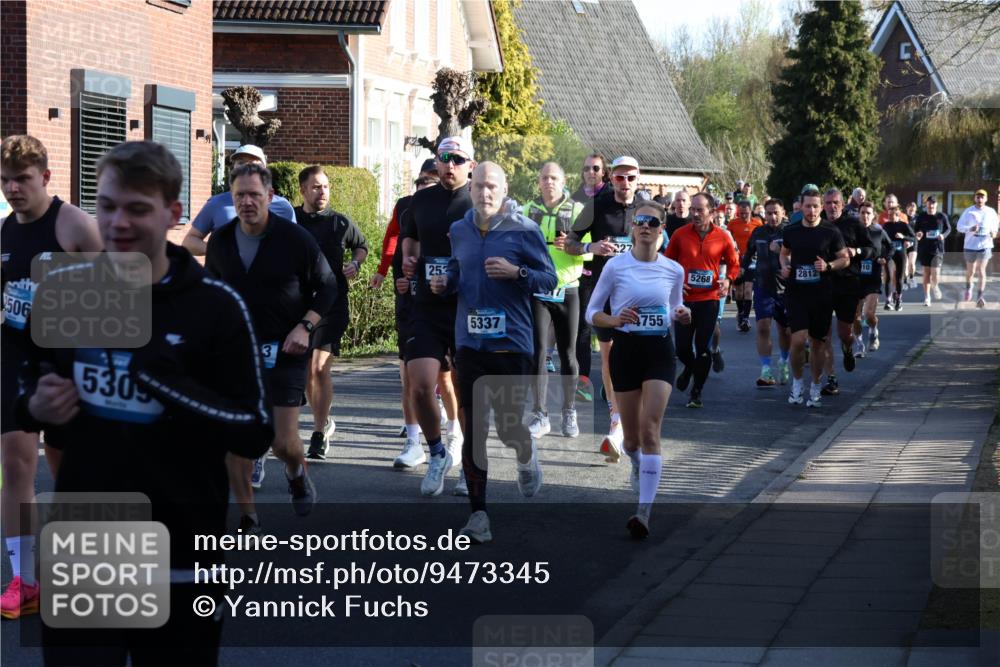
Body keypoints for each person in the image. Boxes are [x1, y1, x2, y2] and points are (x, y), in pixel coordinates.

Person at [16, 140, 273, 662]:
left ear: (173, 214)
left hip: (181, 554)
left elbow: (254, 428)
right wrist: (36, 407)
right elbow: (25, 387)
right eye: (107, 206)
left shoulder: (215, 306)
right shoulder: (65, 292)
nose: (118, 223)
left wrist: (168, 383)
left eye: (137, 209)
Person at [0, 135, 103, 619]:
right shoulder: (3, 232)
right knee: (17, 463)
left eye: (21, 179)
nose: (12, 189)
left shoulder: (75, 225)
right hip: (15, 363)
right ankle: (24, 578)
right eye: (4, 180)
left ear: (44, 177)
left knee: (72, 469)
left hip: (68, 366)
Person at [430, 162, 557, 543]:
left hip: (512, 342)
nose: (485, 193)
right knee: (474, 431)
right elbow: (457, 270)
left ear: (503, 190)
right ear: (470, 189)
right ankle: (478, 515)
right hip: (469, 343)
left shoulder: (526, 230)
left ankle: (525, 452)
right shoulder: (459, 229)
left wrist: (515, 272)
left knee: (507, 426)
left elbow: (548, 279)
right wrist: (445, 282)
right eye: (479, 186)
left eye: (492, 187)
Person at [206, 162, 336, 533]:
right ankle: (248, 516)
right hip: (234, 355)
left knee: (282, 442)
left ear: (270, 197)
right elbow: (210, 295)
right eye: (240, 195)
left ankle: (296, 471)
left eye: (254, 195)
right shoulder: (221, 241)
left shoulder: (295, 240)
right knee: (235, 441)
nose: (247, 202)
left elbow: (327, 287)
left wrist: (305, 327)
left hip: (286, 351)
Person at [586, 200, 689, 538]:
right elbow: (592, 312)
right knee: (631, 439)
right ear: (633, 228)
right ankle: (635, 462)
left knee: (650, 430)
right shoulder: (616, 267)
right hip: (625, 350)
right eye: (640, 221)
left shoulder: (674, 270)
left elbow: (675, 306)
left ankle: (643, 512)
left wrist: (682, 313)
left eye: (653, 222)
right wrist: (615, 319)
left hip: (659, 350)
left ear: (662, 230)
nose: (646, 226)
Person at [400, 136, 474, 495]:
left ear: (470, 165)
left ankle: (469, 465)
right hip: (427, 305)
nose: (450, 164)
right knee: (419, 385)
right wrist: (408, 260)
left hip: (465, 306)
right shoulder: (421, 200)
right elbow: (410, 239)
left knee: (463, 388)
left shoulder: (478, 200)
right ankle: (437, 452)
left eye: (458, 159)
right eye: (444, 158)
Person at [565, 156, 644, 459]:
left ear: (638, 179)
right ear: (612, 179)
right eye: (620, 178)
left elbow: (661, 244)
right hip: (605, 293)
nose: (625, 183)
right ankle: (616, 419)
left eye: (631, 178)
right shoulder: (597, 206)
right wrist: (591, 247)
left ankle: (630, 415)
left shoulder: (648, 209)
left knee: (635, 357)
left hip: (638, 296)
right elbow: (570, 242)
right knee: (610, 357)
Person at [294, 166, 369, 459]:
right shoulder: (292, 220)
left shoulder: (340, 222)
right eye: (315, 187)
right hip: (298, 304)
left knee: (317, 367)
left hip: (333, 303)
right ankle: (323, 420)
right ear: (302, 190)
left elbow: (361, 246)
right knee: (303, 371)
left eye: (325, 187)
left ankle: (317, 433)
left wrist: (355, 264)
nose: (322, 192)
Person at [524, 163, 586, 439]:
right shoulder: (527, 210)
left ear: (564, 182)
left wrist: (574, 248)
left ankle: (569, 411)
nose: (548, 182)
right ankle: (540, 414)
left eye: (554, 178)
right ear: (538, 182)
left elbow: (592, 252)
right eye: (544, 178)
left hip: (568, 289)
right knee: (537, 353)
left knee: (568, 354)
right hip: (538, 289)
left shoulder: (577, 211)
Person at [664, 192, 739, 408]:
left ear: (713, 212)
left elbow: (734, 264)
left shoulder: (723, 236)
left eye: (700, 210)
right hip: (684, 300)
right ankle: (689, 367)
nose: (695, 214)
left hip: (709, 299)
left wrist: (729, 281)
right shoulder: (680, 234)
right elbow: (667, 264)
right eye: (693, 209)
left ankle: (696, 392)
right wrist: (676, 284)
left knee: (703, 347)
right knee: (682, 349)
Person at [780, 185, 850, 408]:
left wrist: (828, 265)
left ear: (821, 208)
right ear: (801, 207)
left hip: (821, 294)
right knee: (798, 340)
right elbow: (784, 253)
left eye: (815, 206)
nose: (811, 211)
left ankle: (816, 385)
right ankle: (798, 383)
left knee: (818, 344)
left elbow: (845, 259)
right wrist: (785, 266)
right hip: (797, 293)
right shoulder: (791, 231)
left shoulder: (831, 232)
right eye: (807, 206)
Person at [181, 145, 295, 256]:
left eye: (253, 163)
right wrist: (219, 250)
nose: (246, 167)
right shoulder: (217, 204)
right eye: (241, 163)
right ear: (233, 169)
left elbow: (294, 245)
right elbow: (189, 242)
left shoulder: (282, 206)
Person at [819, 188, 875, 397]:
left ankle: (848, 349)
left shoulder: (854, 224)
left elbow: (871, 249)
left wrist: (856, 251)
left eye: (835, 203)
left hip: (848, 285)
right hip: (823, 285)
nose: (831, 207)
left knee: (845, 333)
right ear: (823, 205)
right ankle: (831, 378)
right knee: (824, 334)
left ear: (843, 204)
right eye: (828, 203)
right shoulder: (818, 225)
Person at [570, 153, 609, 404]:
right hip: (580, 270)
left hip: (608, 273)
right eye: (586, 168)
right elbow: (569, 234)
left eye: (596, 168)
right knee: (581, 330)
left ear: (603, 172)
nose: (591, 172)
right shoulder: (574, 199)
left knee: (611, 330)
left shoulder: (610, 198)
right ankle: (583, 381)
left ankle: (612, 380)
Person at [743, 198, 790, 386]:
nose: (772, 216)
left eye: (775, 212)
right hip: (763, 286)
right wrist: (744, 269)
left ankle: (785, 361)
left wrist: (781, 250)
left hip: (785, 289)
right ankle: (766, 370)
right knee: (763, 327)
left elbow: (799, 256)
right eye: (769, 213)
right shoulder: (758, 232)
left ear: (783, 212)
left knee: (785, 331)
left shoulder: (789, 233)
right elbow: (748, 254)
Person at [854, 200, 892, 355]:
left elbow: (890, 247)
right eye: (862, 213)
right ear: (858, 214)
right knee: (855, 317)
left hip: (873, 278)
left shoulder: (878, 231)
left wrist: (884, 258)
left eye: (868, 213)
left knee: (869, 314)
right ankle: (859, 345)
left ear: (873, 215)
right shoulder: (853, 231)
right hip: (855, 279)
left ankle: (874, 330)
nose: (865, 216)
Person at [956, 189, 999, 308]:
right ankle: (969, 287)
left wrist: (994, 233)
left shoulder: (991, 212)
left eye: (982, 197)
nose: (980, 199)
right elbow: (959, 227)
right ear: (974, 198)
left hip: (985, 246)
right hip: (970, 246)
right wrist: (970, 228)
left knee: (981, 270)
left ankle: (980, 296)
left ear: (986, 199)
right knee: (971, 271)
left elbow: (995, 227)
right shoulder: (968, 211)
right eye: (978, 197)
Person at [728, 199, 763, 332]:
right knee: (739, 292)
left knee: (748, 290)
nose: (743, 216)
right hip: (736, 261)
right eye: (741, 213)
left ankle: (745, 318)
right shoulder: (732, 223)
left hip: (752, 260)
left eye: (746, 213)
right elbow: (727, 239)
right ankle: (741, 312)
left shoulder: (757, 223)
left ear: (751, 211)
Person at [912, 195, 951, 307]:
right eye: (929, 204)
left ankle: (936, 285)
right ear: (927, 205)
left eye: (933, 204)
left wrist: (943, 235)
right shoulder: (921, 217)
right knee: (926, 274)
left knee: (935, 274)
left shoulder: (941, 216)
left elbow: (948, 229)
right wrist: (918, 233)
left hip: (937, 248)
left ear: (936, 205)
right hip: (925, 248)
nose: (931, 206)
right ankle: (927, 297)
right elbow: (916, 230)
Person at [882, 204, 916, 311]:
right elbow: (881, 239)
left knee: (899, 278)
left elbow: (914, 238)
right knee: (888, 276)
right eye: (889, 215)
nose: (889, 217)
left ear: (897, 215)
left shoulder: (903, 225)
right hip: (889, 255)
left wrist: (903, 237)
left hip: (900, 253)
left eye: (892, 215)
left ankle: (898, 300)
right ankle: (888, 301)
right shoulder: (886, 225)